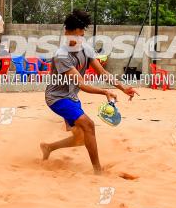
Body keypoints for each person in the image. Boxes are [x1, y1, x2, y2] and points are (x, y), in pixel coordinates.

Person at [40, 10, 137, 174]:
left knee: (80, 138)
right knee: (89, 126)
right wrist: (104, 92)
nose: (80, 39)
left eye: (82, 35)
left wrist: (123, 88)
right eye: (77, 36)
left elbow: (102, 73)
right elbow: (82, 84)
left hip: (71, 97)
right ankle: (97, 170)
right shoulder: (61, 56)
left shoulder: (85, 48)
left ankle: (49, 147)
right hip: (57, 98)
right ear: (67, 32)